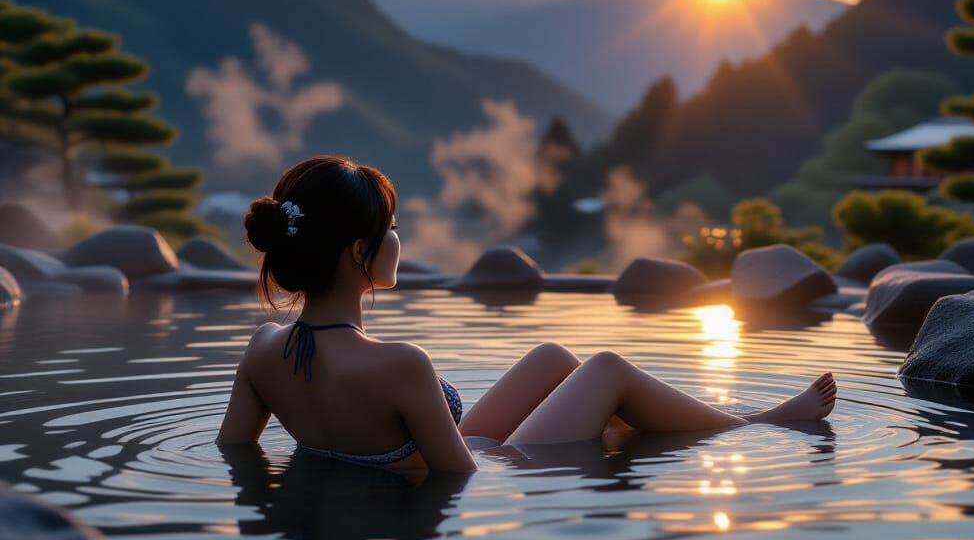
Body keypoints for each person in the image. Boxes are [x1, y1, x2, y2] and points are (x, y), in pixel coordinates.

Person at [217, 155, 837, 474]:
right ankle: (756, 423)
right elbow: (461, 479)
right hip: (487, 464)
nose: (400, 241)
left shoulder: (264, 351)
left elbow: (237, 453)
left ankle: (662, 421)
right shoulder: (401, 365)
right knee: (607, 369)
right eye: (393, 230)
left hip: (434, 451)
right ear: (359, 252)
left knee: (552, 360)